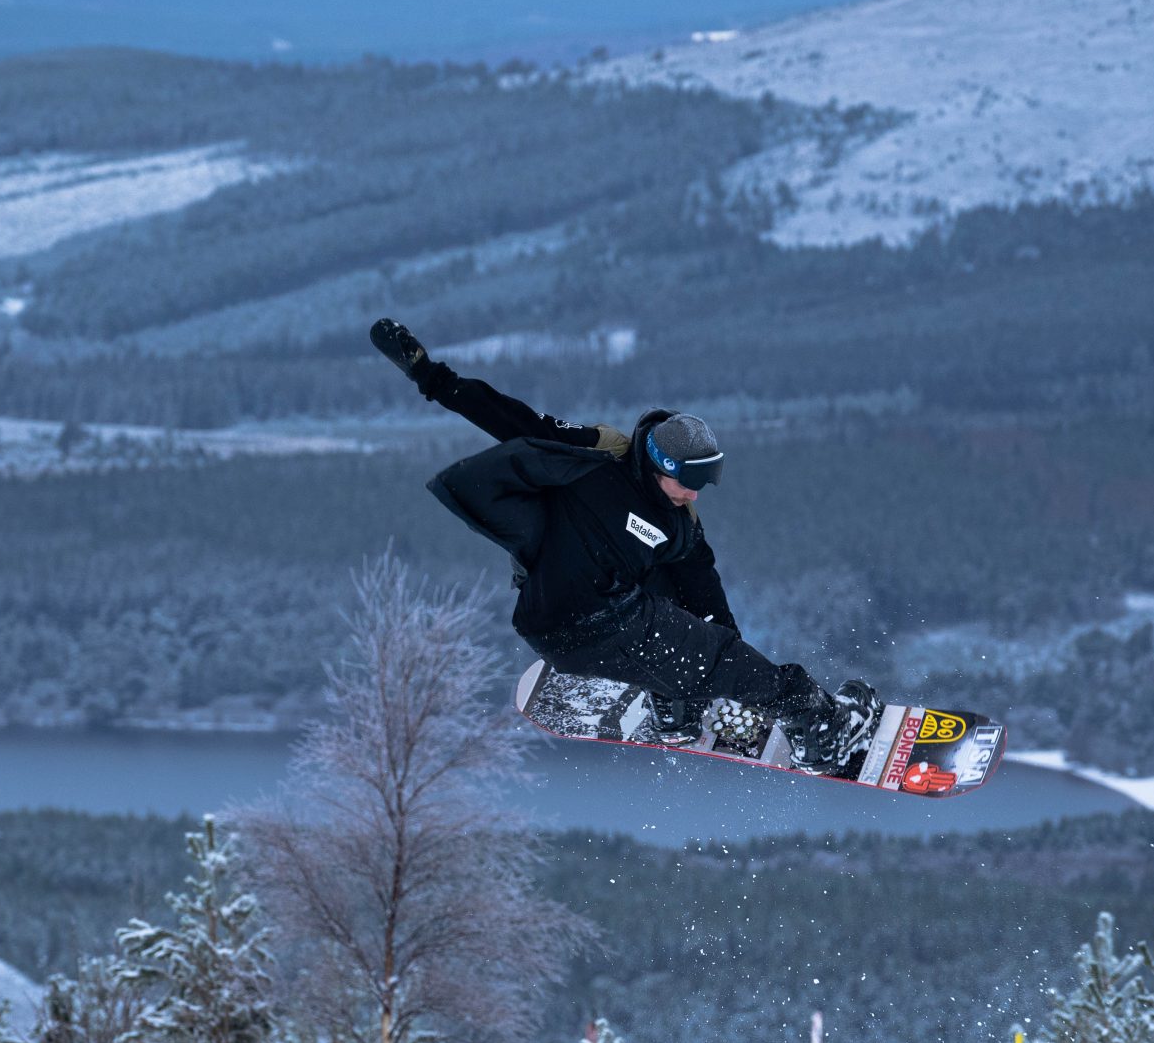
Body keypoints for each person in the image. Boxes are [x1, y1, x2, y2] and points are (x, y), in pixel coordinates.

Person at [373, 319, 882, 774]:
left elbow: (705, 595)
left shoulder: (681, 526)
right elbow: (515, 420)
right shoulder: (602, 457)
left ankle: (674, 703)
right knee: (701, 641)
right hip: (599, 623)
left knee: (693, 616)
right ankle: (819, 728)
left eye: (704, 482)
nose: (694, 494)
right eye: (687, 481)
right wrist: (432, 378)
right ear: (657, 466)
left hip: (560, 631)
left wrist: (725, 656)